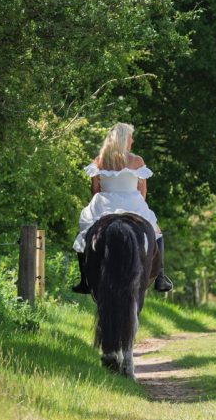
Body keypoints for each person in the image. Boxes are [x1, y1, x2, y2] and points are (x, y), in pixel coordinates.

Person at [71, 123, 173, 294]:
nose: (132, 140)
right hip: (133, 203)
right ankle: (160, 278)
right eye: (131, 137)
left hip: (104, 203)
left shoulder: (99, 160)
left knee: (85, 232)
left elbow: (95, 190)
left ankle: (85, 281)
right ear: (125, 138)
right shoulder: (137, 161)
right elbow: (142, 191)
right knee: (157, 233)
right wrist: (139, 205)